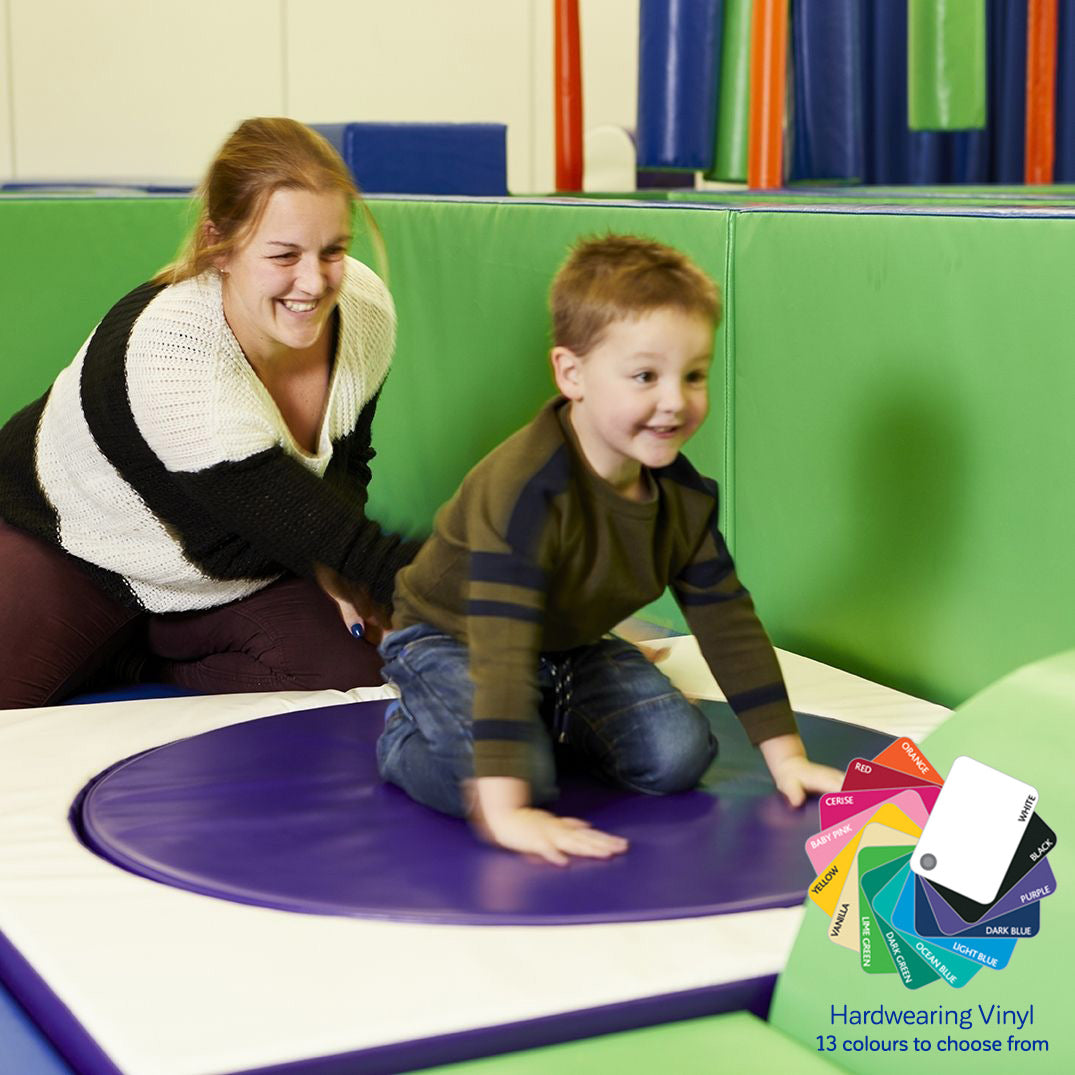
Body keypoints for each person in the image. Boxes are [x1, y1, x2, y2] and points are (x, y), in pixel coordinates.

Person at [377, 234, 842, 865]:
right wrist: (508, 809)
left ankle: (542, 719)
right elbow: (501, 640)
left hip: (566, 648)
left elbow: (726, 617)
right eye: (646, 376)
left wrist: (787, 757)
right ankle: (406, 738)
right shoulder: (525, 491)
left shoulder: (681, 497)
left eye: (694, 375)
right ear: (572, 374)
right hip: (453, 638)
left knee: (678, 757)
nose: (675, 400)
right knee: (520, 779)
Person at [0, 117, 416, 708]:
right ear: (219, 246)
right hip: (71, 546)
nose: (313, 282)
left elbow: (345, 466)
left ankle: (145, 657)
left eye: (333, 251)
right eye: (284, 255)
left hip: (227, 569)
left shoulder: (363, 308)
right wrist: (489, 598)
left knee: (352, 667)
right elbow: (328, 531)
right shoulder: (172, 352)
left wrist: (343, 576)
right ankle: (107, 644)